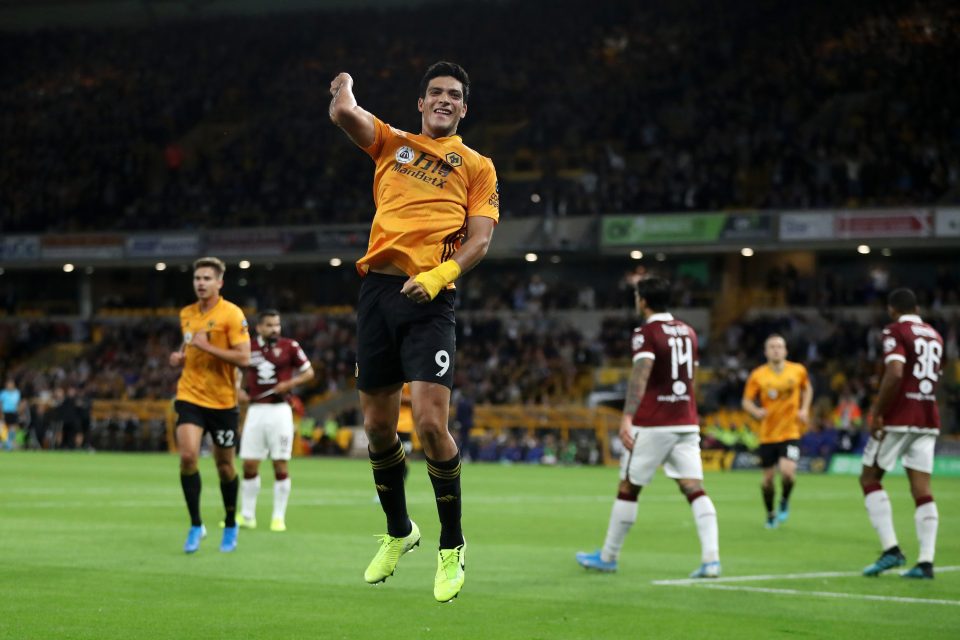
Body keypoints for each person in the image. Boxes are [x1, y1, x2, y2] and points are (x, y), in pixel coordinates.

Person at [329, 60, 499, 602]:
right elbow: (343, 114)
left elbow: (480, 241)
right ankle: (400, 531)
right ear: (421, 104)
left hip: (431, 300)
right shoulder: (391, 144)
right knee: (377, 430)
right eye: (435, 93)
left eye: (454, 94)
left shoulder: (477, 166)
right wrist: (346, 88)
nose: (444, 100)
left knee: (428, 424)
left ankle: (452, 544)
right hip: (377, 295)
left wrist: (439, 275)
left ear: (463, 108)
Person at [576, 277, 720, 578]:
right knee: (694, 487)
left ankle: (608, 556)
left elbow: (640, 376)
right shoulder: (688, 331)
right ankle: (711, 559)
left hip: (653, 422)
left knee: (628, 488)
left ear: (643, 300)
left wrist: (628, 416)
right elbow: (691, 376)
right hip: (685, 420)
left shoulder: (646, 333)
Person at [169, 257, 251, 554]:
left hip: (223, 401)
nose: (201, 283)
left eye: (206, 278)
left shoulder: (232, 314)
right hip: (190, 395)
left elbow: (244, 359)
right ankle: (195, 524)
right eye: (197, 278)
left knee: (224, 466)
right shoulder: (187, 313)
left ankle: (230, 522)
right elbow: (188, 344)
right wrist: (179, 356)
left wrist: (206, 347)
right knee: (188, 457)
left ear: (219, 283)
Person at [860, 288, 943, 579]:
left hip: (899, 417)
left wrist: (878, 412)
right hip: (927, 418)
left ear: (892, 309)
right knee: (922, 490)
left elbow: (895, 372)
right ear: (917, 307)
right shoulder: (934, 334)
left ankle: (891, 550)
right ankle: (926, 561)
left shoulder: (895, 330)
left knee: (869, 478)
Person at [237, 310, 314, 532]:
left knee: (280, 463)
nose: (275, 329)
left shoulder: (290, 346)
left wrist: (289, 385)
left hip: (280, 410)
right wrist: (238, 392)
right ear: (259, 327)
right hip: (255, 410)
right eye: (269, 325)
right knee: (249, 463)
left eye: (277, 325)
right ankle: (247, 516)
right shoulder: (247, 347)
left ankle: (278, 517)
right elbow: (235, 373)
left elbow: (309, 373)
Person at [742, 334, 813, 528]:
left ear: (785, 350)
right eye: (772, 346)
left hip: (791, 431)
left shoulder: (797, 370)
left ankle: (784, 501)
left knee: (788, 472)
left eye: (779, 346)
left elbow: (807, 389)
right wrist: (756, 411)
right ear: (766, 352)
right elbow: (746, 401)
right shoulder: (758, 375)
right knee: (767, 480)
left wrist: (805, 409)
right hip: (767, 434)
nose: (776, 349)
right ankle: (771, 513)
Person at [1, 379, 21, 450]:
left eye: (11, 384)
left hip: (13, 413)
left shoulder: (17, 393)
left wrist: (18, 412)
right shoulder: (3, 393)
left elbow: (18, 403)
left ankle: (10, 443)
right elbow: (1, 404)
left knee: (13, 428)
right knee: (4, 428)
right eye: (8, 384)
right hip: (5, 413)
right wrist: (2, 413)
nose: (10, 386)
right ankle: (3, 442)